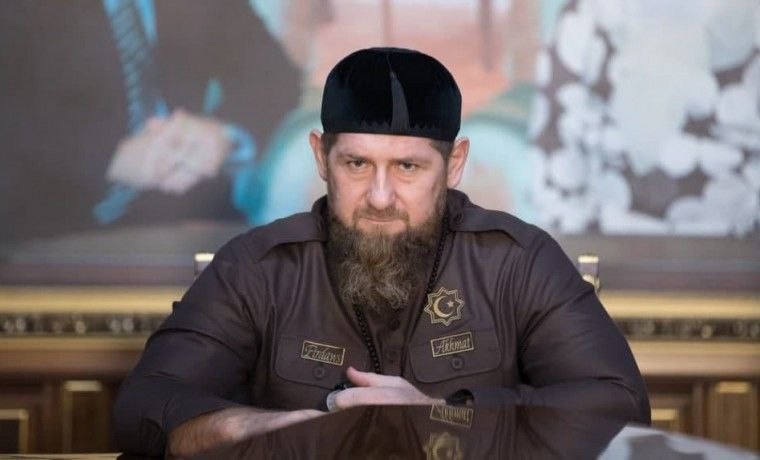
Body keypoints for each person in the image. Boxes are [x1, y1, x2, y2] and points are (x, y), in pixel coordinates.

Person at [112, 47, 650, 457]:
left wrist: (438, 416)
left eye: (408, 167)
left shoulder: (518, 261)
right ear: (320, 157)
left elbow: (620, 408)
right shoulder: (256, 267)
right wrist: (277, 428)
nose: (380, 197)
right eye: (357, 164)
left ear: (454, 164)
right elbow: (142, 406)